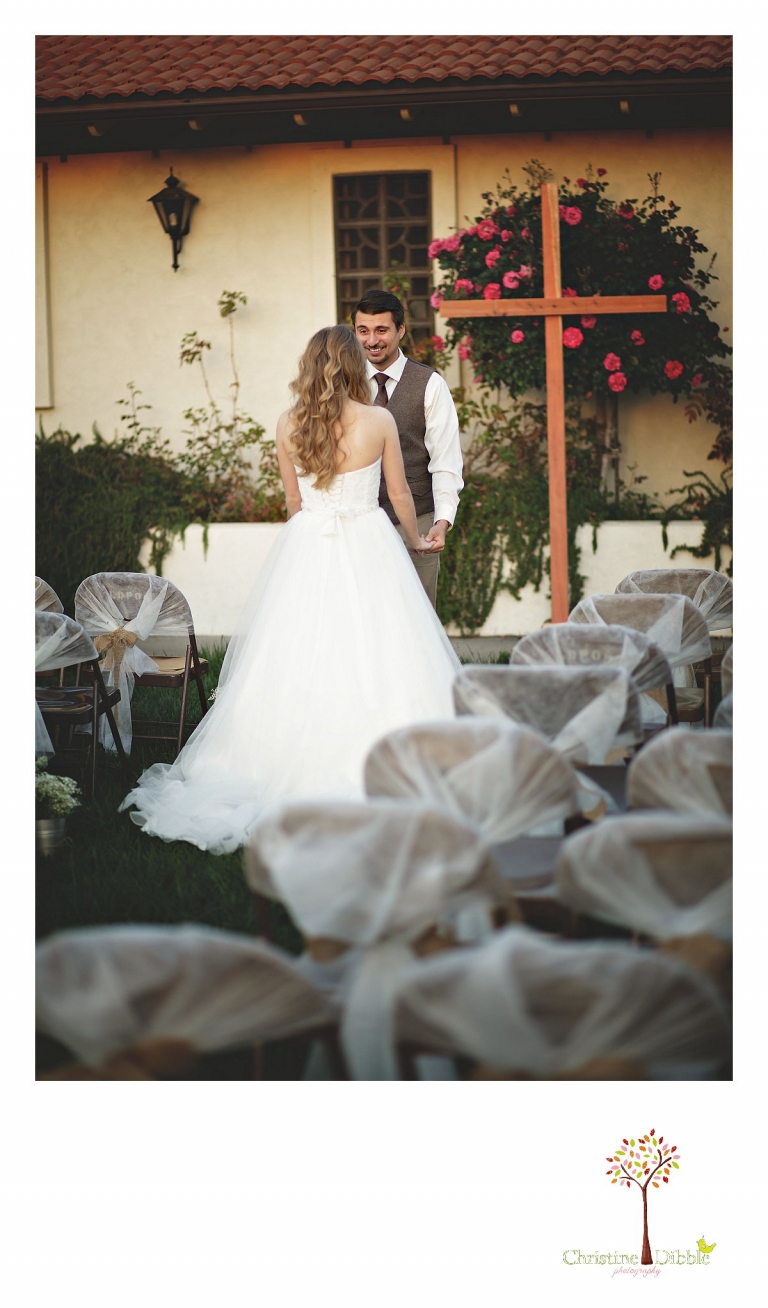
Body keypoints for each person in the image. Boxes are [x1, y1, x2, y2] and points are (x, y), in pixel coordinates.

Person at [120, 325, 462, 854]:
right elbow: (399, 493)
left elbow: (293, 504)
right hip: (369, 541)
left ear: (310, 366)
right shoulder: (379, 419)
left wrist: (306, 542)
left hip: (308, 543)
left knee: (299, 647)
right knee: (382, 645)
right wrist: (416, 540)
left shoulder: (287, 423)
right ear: (352, 364)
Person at [352, 290, 464, 609]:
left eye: (381, 330)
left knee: (418, 617)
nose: (372, 340)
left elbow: (445, 462)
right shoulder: (345, 384)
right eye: (363, 331)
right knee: (363, 615)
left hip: (418, 522)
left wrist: (442, 521)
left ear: (401, 329)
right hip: (358, 524)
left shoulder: (430, 384)